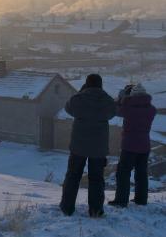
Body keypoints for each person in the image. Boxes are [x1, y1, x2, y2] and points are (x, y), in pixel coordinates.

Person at [60, 73, 116, 218]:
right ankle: (95, 211)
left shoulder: (79, 99)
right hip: (99, 148)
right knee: (96, 179)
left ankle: (67, 208)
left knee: (73, 176)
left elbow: (68, 107)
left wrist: (81, 92)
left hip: (78, 146)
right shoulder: (107, 100)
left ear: (87, 84)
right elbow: (113, 112)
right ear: (100, 85)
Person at [109, 82, 157, 208]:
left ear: (132, 96)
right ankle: (141, 199)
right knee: (141, 173)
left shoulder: (127, 108)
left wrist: (123, 96)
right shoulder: (151, 110)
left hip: (129, 145)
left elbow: (115, 108)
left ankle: (121, 200)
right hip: (145, 145)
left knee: (123, 173)